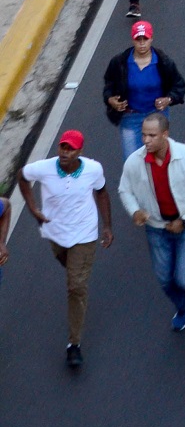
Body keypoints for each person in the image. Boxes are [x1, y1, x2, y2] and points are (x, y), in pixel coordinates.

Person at [18, 130, 113, 367]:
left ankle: (74, 344)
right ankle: (77, 274)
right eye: (62, 147)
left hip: (84, 234)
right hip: (55, 233)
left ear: (80, 152)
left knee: (76, 286)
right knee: (71, 270)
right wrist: (32, 208)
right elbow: (22, 177)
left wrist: (108, 226)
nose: (64, 152)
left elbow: (101, 192)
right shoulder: (44, 168)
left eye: (70, 148)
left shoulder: (93, 169)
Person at [118, 113, 185, 331]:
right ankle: (184, 305)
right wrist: (134, 211)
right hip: (157, 228)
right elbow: (125, 189)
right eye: (143, 135)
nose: (145, 140)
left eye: (152, 135)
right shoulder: (135, 162)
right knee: (164, 279)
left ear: (165, 134)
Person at [103, 22, 185, 160]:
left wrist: (169, 99)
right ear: (132, 40)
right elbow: (109, 84)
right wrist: (110, 100)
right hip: (130, 118)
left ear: (151, 39)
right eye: (138, 39)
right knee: (132, 161)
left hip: (157, 117)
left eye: (145, 39)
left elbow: (179, 85)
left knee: (159, 158)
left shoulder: (164, 62)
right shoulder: (119, 62)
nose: (142, 44)